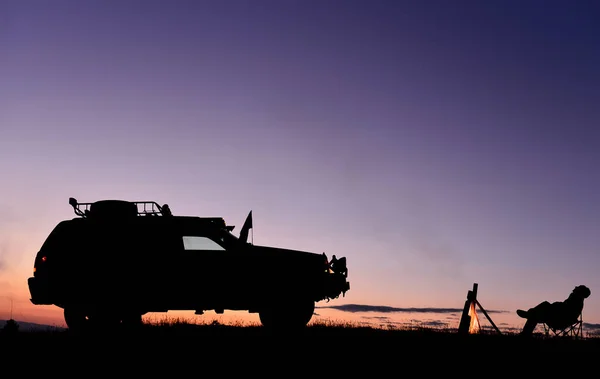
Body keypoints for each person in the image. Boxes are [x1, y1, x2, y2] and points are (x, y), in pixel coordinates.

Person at [516, 285, 591, 336]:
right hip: (557, 318)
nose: (575, 287)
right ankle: (526, 329)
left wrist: (554, 305)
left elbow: (564, 311)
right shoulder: (575, 300)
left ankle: (527, 325)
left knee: (542, 307)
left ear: (580, 292)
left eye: (578, 287)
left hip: (559, 321)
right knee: (536, 314)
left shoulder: (576, 301)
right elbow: (563, 308)